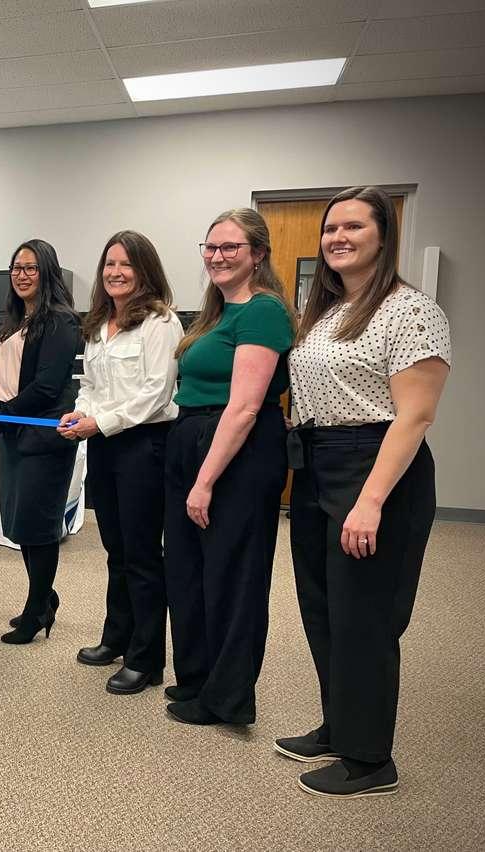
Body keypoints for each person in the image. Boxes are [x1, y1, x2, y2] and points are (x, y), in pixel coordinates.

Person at [276, 187, 450, 799]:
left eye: (353, 226)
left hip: (378, 470)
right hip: (320, 465)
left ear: (383, 236)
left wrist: (371, 501)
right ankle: (340, 726)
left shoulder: (410, 310)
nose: (338, 237)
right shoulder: (325, 310)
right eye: (330, 229)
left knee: (365, 618)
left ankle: (372, 759)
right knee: (323, 610)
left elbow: (415, 416)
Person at [163, 208, 294, 725]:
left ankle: (228, 698)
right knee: (188, 571)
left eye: (230, 248)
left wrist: (204, 481)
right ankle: (196, 677)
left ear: (257, 254)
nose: (217, 257)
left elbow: (243, 407)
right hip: (191, 436)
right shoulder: (215, 312)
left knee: (232, 576)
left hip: (235, 451)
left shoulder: (262, 311)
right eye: (210, 247)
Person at [58, 230, 183, 692]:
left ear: (144, 270)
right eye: (109, 264)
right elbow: (90, 384)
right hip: (106, 443)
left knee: (143, 554)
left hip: (143, 445)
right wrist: (82, 412)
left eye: (126, 265)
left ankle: (147, 659)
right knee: (117, 549)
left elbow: (156, 394)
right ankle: (118, 637)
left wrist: (100, 421)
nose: (115, 272)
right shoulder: (98, 324)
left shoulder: (161, 322)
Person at [0, 238, 82, 645]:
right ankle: (43, 597)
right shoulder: (16, 319)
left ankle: (38, 609)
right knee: (22, 525)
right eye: (16, 268)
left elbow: (47, 386)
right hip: (17, 434)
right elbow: (23, 372)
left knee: (38, 526)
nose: (21, 275)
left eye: (31, 268)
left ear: (47, 272)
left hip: (43, 436)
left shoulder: (60, 319)